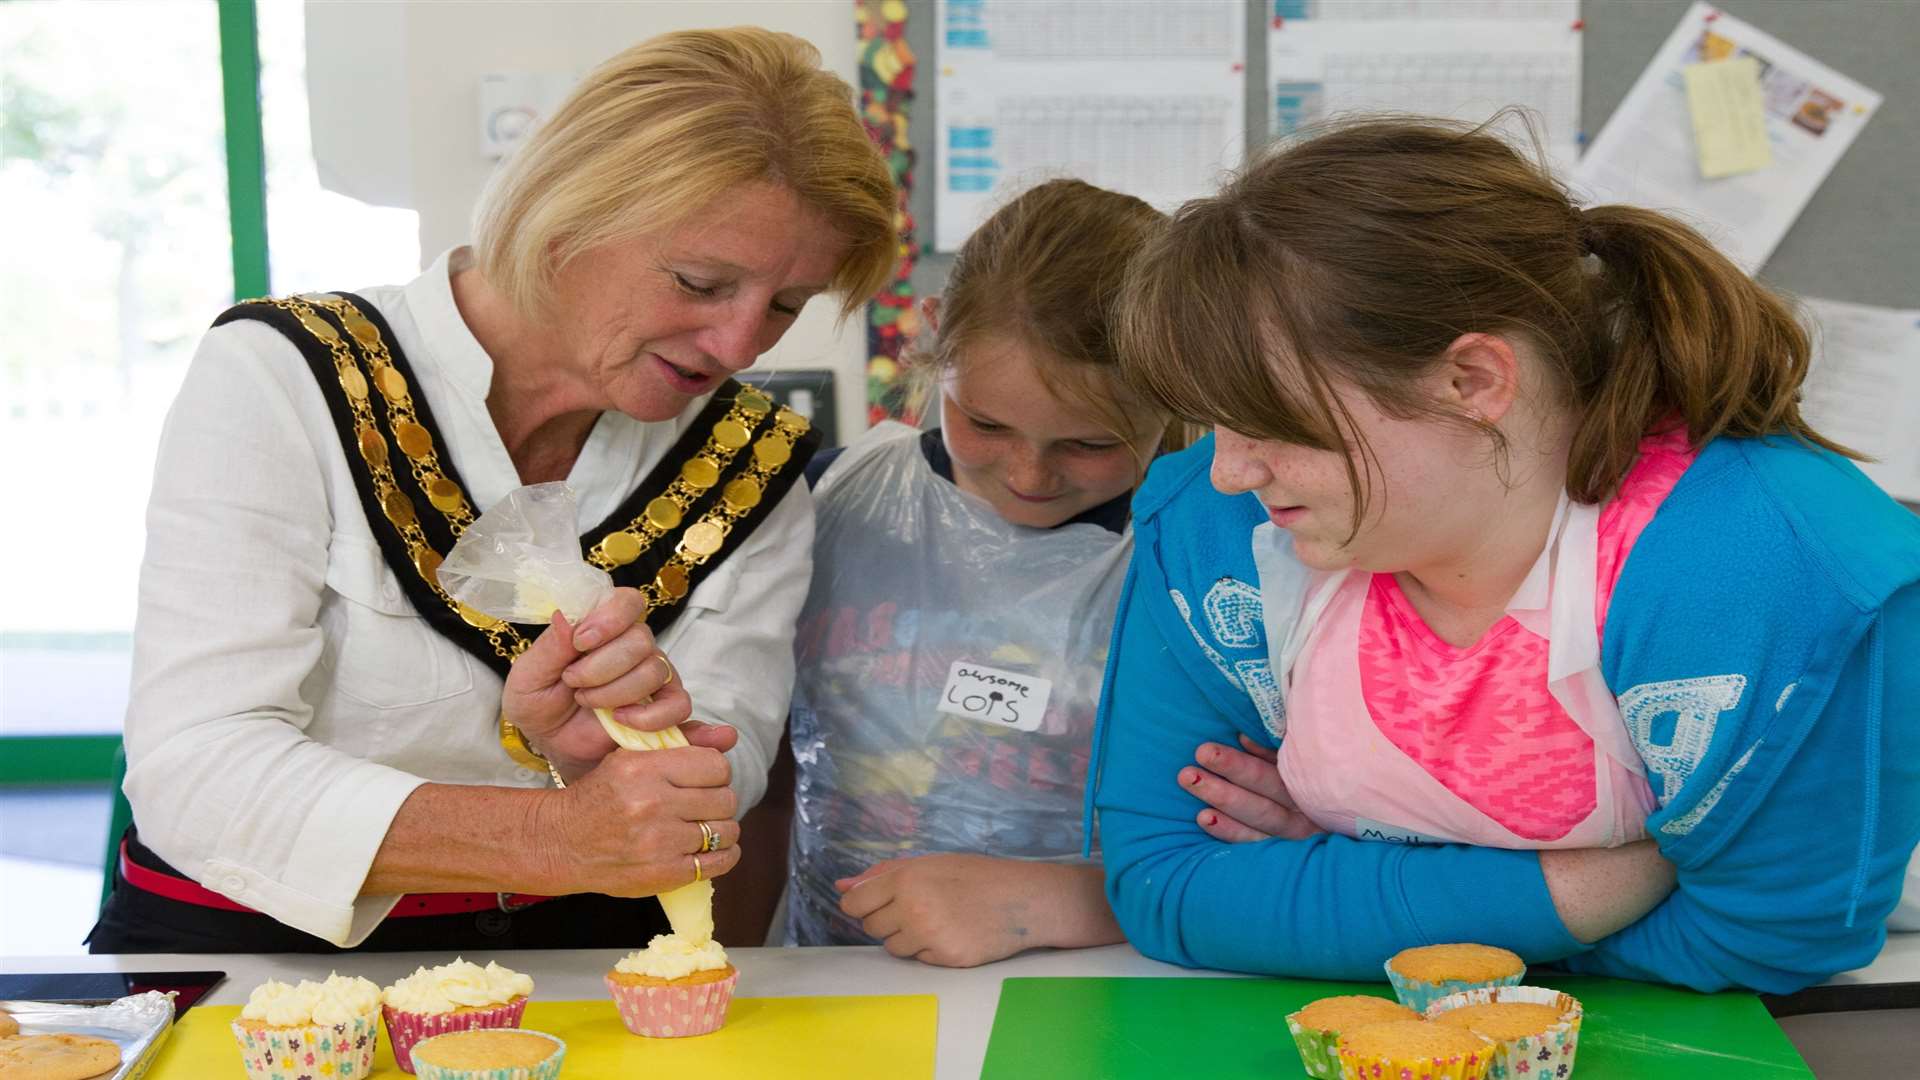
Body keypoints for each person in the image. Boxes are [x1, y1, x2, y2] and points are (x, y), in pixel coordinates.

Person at [89, 27, 897, 953]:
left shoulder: (751, 461)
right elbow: (196, 767)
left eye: (786, 304)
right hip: (254, 952)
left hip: (590, 958)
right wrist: (553, 834)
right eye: (701, 282)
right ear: (566, 215)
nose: (741, 346)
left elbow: (732, 758)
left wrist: (633, 751)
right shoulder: (284, 378)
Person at [1092, 117, 1920, 993]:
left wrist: (1346, 889)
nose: (1227, 471)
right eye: (1214, 419)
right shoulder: (1217, 530)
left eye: (1268, 419)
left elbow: (1770, 941)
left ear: (1473, 382)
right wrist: (1616, 877)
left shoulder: (1767, 569)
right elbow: (1168, 887)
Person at [783, 180, 1178, 967]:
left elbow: (1253, 833)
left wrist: (1048, 905)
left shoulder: (1207, 555)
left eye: (1090, 444)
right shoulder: (828, 502)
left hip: (1114, 973)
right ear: (935, 333)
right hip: (834, 972)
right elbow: (756, 773)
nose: (1030, 474)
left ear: (1180, 384)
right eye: (986, 423)